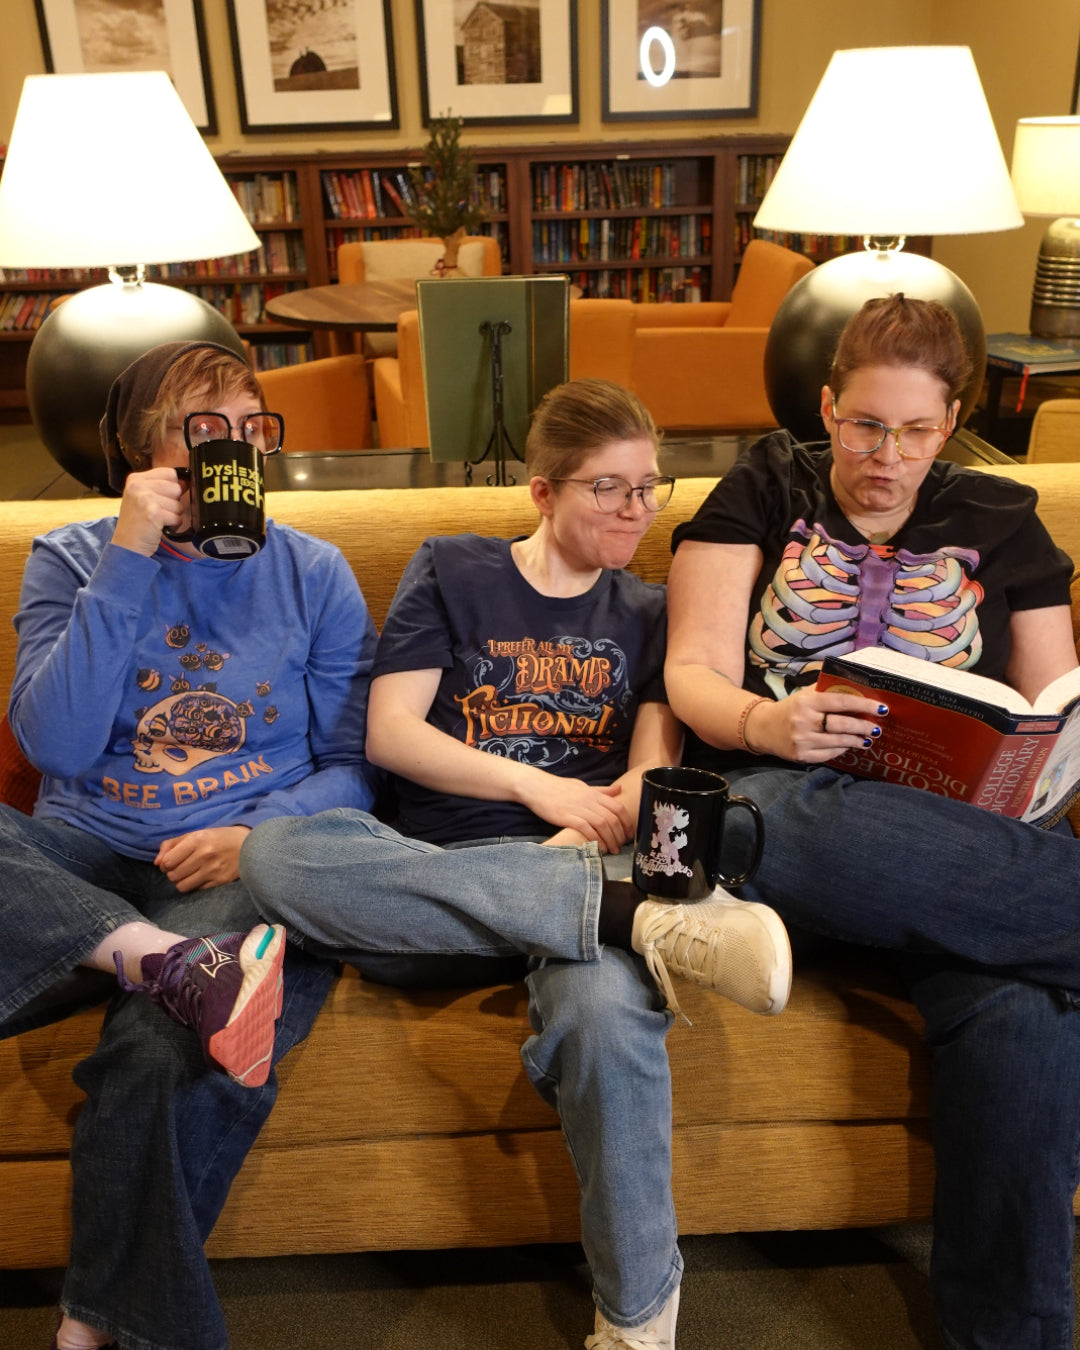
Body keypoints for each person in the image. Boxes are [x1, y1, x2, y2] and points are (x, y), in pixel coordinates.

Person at [239, 377, 792, 1350]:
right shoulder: (453, 570)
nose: (635, 513)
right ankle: (625, 916)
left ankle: (637, 1327)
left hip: (587, 878)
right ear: (542, 490)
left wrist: (605, 817)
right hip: (439, 885)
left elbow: (647, 770)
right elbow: (393, 734)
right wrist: (539, 794)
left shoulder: (649, 607)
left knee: (605, 1021)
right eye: (607, 490)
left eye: (648, 489)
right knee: (279, 854)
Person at [664, 293, 1080, 1350]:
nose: (882, 455)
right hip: (783, 804)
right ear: (828, 406)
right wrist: (769, 717)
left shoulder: (1001, 519)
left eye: (912, 431)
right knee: (785, 819)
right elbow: (692, 672)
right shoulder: (762, 485)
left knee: (1022, 1017)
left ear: (951, 425)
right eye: (861, 425)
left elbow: (1058, 710)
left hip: (956, 852)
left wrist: (1034, 771)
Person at [0, 341, 379, 1350]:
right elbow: (55, 744)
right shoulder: (74, 559)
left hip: (232, 870)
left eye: (253, 428)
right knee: (171, 987)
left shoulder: (313, 571)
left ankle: (92, 1323)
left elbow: (357, 768)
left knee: (159, 1049)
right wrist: (127, 555)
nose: (235, 451)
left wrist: (254, 832)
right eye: (201, 430)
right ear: (140, 450)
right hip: (82, 860)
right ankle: (157, 960)